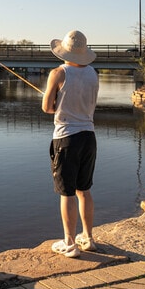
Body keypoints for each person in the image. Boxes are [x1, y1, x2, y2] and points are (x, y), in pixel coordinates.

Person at [42, 30, 99, 258]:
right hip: (89, 136)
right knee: (84, 190)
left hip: (66, 138)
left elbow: (48, 108)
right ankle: (88, 238)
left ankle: (69, 243)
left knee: (67, 193)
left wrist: (55, 100)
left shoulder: (58, 73)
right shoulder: (93, 73)